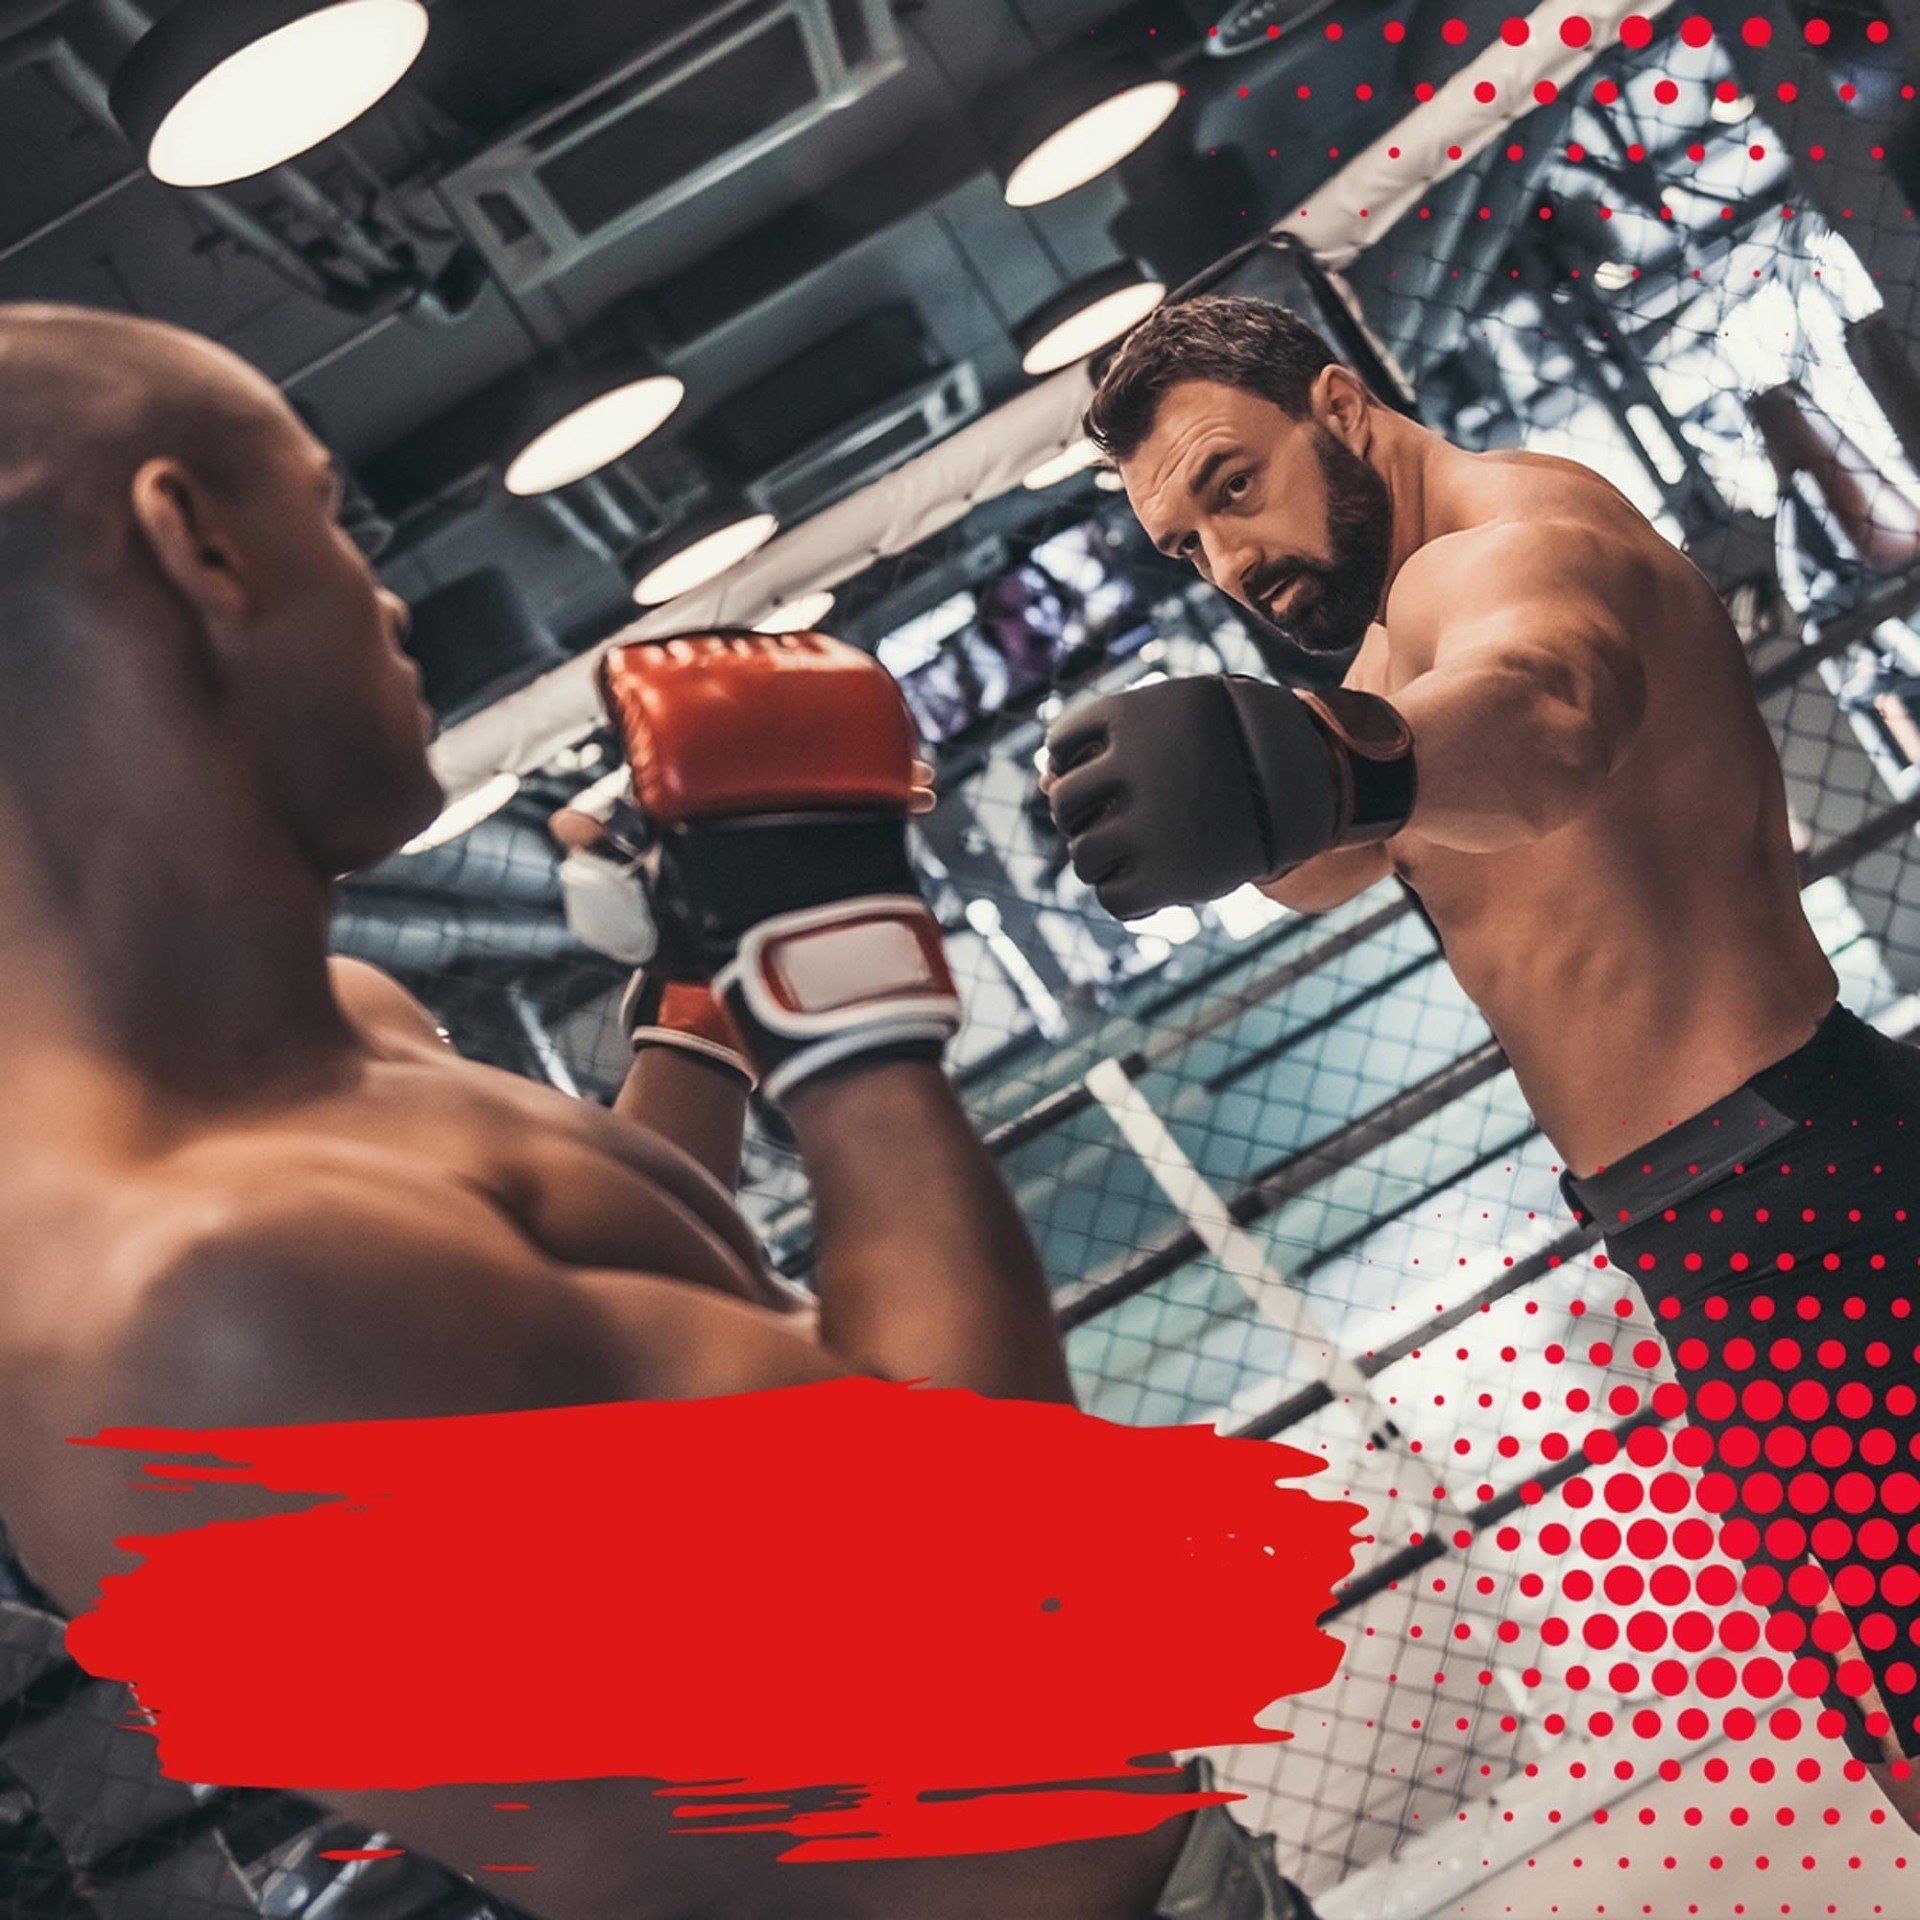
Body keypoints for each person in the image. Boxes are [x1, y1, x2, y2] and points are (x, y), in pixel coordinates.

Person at [0, 304, 1311, 1920]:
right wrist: (843, 990)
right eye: (333, 517)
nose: (391, 599)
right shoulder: (201, 1291)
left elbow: (594, 1343)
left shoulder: (340, 1041)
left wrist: (709, 994)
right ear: (195, 543)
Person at [1045, 291, 1920, 1821]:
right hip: (1743, 1193)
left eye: (1235, 488)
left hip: (1785, 1205)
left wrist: (1322, 763)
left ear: (1339, 408)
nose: (1232, 564)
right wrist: (1261, 790)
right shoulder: (1400, 616)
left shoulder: (1514, 543)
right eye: (1189, 549)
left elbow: (1546, 712)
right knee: (1876, 1699)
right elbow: (1348, 841)